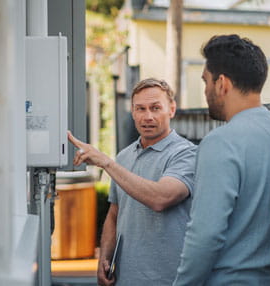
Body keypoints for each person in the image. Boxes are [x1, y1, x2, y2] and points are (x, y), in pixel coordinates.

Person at [173, 34, 270, 285]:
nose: (206, 90)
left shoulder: (220, 142)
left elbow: (205, 235)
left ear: (222, 84)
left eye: (205, 81)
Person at [68, 78, 197, 286]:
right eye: (140, 109)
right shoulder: (125, 157)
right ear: (133, 112)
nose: (148, 117)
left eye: (156, 108)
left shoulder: (186, 154)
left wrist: (106, 163)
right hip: (125, 279)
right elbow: (114, 214)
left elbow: (161, 198)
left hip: (170, 280)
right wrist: (104, 257)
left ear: (171, 109)